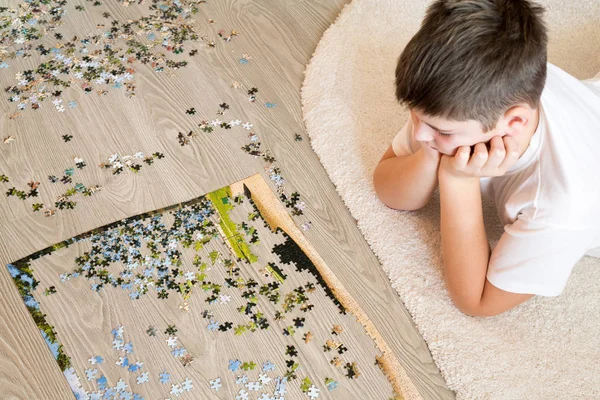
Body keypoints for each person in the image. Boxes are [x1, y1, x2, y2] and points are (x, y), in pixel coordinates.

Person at [372, 0, 600, 317]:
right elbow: (387, 185)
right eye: (415, 118)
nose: (421, 135)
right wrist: (429, 157)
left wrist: (457, 181)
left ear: (514, 122)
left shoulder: (561, 206)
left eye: (439, 131)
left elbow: (477, 301)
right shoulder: (470, 97)